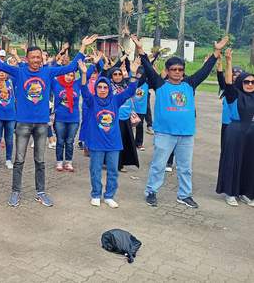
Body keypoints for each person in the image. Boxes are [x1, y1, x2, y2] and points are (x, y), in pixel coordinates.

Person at [0, 34, 98, 208]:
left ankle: (40, 192)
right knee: (19, 160)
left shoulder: (48, 72)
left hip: (41, 124)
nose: (36, 60)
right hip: (23, 123)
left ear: (41, 58)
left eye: (38, 57)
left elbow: (71, 67)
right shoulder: (19, 71)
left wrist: (83, 47)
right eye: (32, 57)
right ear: (27, 59)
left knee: (40, 161)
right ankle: (15, 192)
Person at [135, 34, 228, 208]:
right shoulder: (160, 84)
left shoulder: (190, 84)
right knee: (158, 165)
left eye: (180, 69)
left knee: (185, 168)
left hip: (186, 134)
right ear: (168, 70)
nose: (177, 72)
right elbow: (147, 66)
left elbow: (205, 70)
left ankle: (184, 195)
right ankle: (151, 192)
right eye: (173, 69)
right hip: (165, 133)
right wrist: (140, 49)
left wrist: (216, 52)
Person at [79, 58, 139, 208]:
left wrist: (132, 73)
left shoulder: (116, 100)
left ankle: (109, 196)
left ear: (109, 89)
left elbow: (130, 91)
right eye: (99, 87)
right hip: (96, 143)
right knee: (95, 170)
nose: (102, 90)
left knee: (113, 171)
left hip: (113, 143)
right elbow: (84, 89)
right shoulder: (92, 101)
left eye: (105, 87)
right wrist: (84, 74)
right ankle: (95, 194)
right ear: (96, 89)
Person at [216, 49, 254, 207]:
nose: (250, 85)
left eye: (252, 82)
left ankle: (246, 193)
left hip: (251, 132)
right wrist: (228, 61)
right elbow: (228, 82)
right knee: (233, 161)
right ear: (241, 83)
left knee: (249, 163)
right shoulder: (234, 94)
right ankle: (230, 193)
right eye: (247, 82)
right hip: (235, 131)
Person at [109, 64, 140, 172]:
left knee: (124, 142)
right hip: (113, 119)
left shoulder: (126, 86)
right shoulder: (107, 87)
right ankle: (114, 164)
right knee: (114, 142)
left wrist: (134, 73)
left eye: (119, 74)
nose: (118, 76)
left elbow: (132, 91)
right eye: (115, 74)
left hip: (125, 117)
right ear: (111, 76)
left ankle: (120, 163)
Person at [51, 70, 81, 172]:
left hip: (73, 119)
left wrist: (83, 67)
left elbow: (87, 74)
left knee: (70, 141)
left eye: (72, 75)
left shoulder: (76, 84)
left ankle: (68, 162)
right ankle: (59, 161)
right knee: (60, 141)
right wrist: (54, 64)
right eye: (67, 74)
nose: (69, 77)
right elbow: (49, 74)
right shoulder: (56, 84)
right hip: (60, 118)